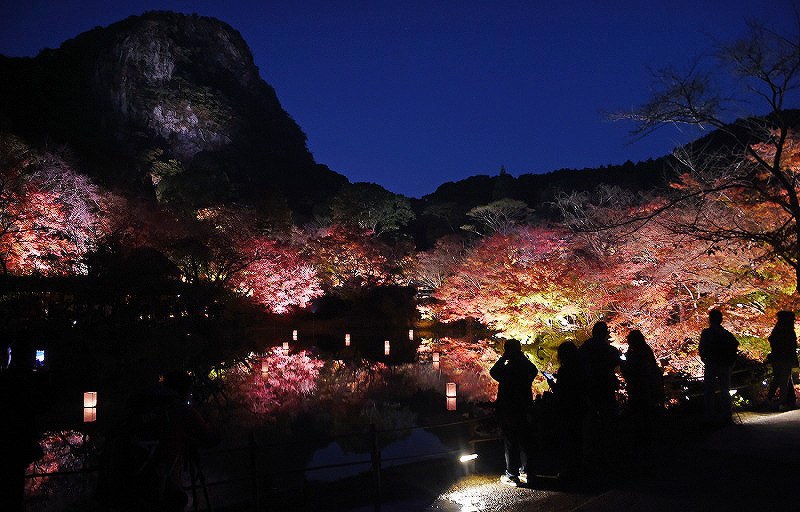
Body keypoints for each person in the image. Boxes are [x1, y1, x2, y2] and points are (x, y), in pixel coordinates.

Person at [490, 339, 538, 486]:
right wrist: (520, 356)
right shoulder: (525, 367)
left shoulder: (507, 369)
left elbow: (493, 371)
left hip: (509, 408)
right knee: (525, 440)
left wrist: (504, 357)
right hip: (524, 407)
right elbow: (534, 370)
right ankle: (527, 472)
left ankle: (512, 474)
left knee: (510, 441)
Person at [544, 341, 586, 479]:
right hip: (580, 406)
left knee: (568, 438)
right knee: (578, 438)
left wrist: (551, 382)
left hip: (567, 408)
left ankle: (569, 470)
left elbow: (561, 391)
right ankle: (580, 468)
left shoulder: (564, 370)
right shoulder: (581, 367)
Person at [620, 330, 663, 448]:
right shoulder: (645, 350)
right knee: (645, 410)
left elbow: (633, 368)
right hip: (645, 384)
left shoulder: (636, 353)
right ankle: (648, 435)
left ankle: (642, 436)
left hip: (639, 384)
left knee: (640, 410)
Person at [698, 309, 739, 425]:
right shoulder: (726, 334)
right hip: (724, 364)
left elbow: (701, 349)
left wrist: (704, 358)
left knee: (709, 390)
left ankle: (710, 415)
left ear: (710, 319)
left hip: (711, 363)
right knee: (725, 389)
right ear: (721, 320)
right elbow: (735, 345)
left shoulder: (706, 333)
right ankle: (726, 413)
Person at [765, 311, 798, 411]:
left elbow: (772, 340)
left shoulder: (777, 330)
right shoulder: (788, 331)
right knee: (784, 380)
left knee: (778, 378)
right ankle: (782, 402)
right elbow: (792, 345)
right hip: (786, 358)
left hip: (777, 357)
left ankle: (771, 399)